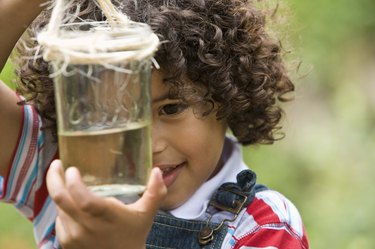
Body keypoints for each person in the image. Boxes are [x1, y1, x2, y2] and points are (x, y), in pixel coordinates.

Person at [0, 0, 309, 248]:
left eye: (171, 108)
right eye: (113, 117)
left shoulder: (264, 227)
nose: (147, 144)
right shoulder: (67, 175)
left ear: (226, 92)